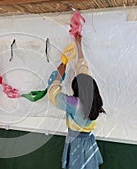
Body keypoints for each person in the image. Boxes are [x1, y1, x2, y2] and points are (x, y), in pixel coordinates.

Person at [48, 34, 105, 169]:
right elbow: (83, 70)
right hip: (89, 143)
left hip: (76, 145)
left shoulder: (74, 104)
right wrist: (78, 45)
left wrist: (59, 74)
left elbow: (53, 95)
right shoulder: (94, 101)